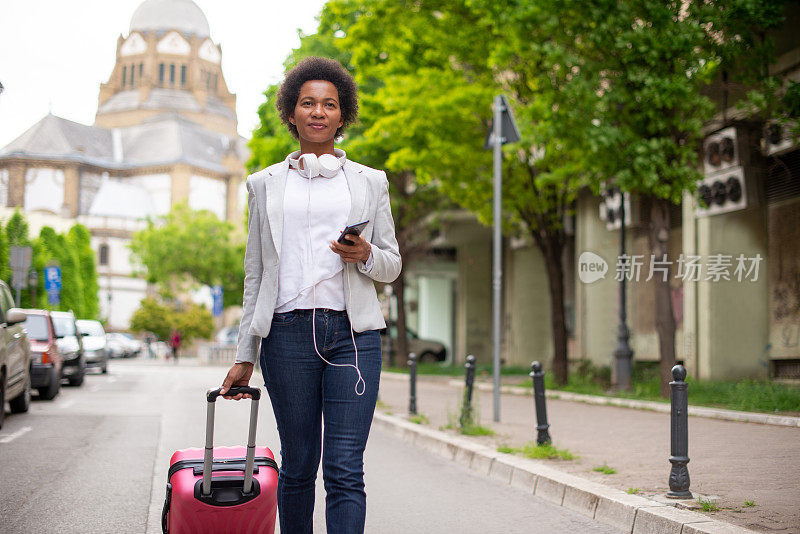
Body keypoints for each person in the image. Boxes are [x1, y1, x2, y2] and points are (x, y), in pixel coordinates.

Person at [219, 56, 401, 533]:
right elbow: (255, 274)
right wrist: (245, 353)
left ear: (343, 116)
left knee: (344, 470)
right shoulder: (264, 185)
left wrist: (363, 254)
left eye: (329, 104)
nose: (318, 112)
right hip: (288, 335)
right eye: (307, 103)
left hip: (353, 337)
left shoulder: (370, 181)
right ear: (291, 112)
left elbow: (392, 264)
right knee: (298, 468)